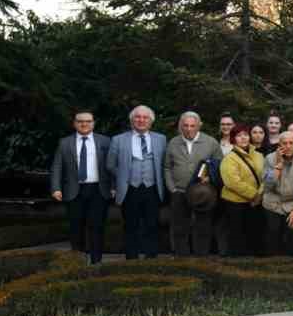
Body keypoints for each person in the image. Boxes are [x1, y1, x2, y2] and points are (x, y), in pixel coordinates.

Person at [49, 110, 111, 264]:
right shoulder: (65, 143)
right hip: (73, 191)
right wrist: (55, 188)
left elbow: (112, 166)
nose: (84, 124)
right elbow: (57, 167)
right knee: (76, 228)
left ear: (93, 123)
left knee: (97, 227)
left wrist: (114, 186)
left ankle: (97, 262)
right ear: (74, 124)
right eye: (80, 121)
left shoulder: (105, 141)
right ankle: (78, 262)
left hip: (98, 190)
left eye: (88, 121)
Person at [107, 105, 167, 260]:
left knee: (152, 226)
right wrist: (122, 177)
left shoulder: (161, 139)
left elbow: (164, 164)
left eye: (145, 117)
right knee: (130, 226)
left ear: (151, 121)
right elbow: (110, 165)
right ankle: (131, 260)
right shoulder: (118, 140)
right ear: (132, 120)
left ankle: (151, 259)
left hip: (152, 188)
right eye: (137, 117)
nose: (141, 120)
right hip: (129, 189)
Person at [161, 110, 219, 257]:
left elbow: (220, 165)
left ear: (199, 125)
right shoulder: (173, 142)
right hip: (179, 192)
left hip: (202, 193)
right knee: (179, 228)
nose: (189, 129)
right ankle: (182, 259)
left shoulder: (211, 142)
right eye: (185, 125)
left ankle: (201, 259)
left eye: (192, 126)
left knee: (203, 227)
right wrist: (172, 188)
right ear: (181, 126)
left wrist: (211, 178)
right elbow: (167, 167)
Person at [261, 129, 293, 257]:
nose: (288, 146)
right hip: (272, 203)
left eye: (291, 143)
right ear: (279, 144)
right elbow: (267, 186)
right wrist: (278, 165)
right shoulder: (269, 158)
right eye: (284, 143)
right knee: (273, 237)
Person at [217, 124, 265, 256]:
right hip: (235, 203)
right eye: (239, 135)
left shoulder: (259, 155)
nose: (243, 138)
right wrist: (255, 194)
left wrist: (260, 194)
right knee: (236, 235)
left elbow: (265, 177)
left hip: (256, 202)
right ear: (233, 139)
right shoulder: (229, 158)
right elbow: (232, 182)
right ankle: (237, 263)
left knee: (253, 233)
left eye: (245, 134)